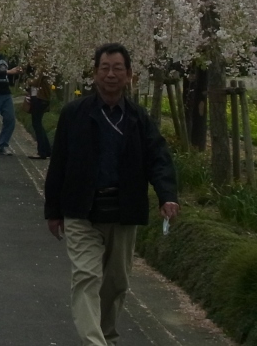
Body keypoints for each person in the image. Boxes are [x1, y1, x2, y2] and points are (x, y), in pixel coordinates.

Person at [44, 43, 178, 346]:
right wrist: (53, 210)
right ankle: (95, 342)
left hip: (123, 210)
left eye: (118, 68)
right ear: (94, 73)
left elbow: (158, 158)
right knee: (86, 277)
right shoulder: (74, 114)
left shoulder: (138, 118)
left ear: (129, 75)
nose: (111, 74)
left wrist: (167, 195)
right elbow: (59, 163)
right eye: (104, 68)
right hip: (82, 210)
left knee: (116, 284)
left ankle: (107, 335)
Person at [25, 67, 54, 160]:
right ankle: (47, 150)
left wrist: (28, 80)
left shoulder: (42, 67)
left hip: (39, 99)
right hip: (40, 99)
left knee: (36, 124)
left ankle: (41, 152)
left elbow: (35, 82)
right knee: (38, 124)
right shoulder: (43, 67)